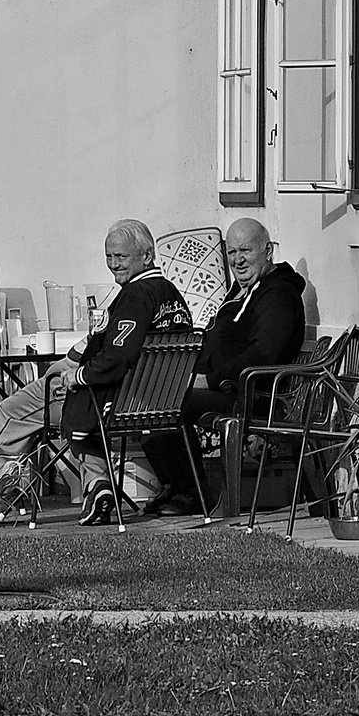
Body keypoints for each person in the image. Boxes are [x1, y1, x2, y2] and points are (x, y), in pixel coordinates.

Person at [0, 219, 193, 526]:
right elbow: (106, 337)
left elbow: (118, 355)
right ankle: (98, 486)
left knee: (12, 410)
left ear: (147, 255)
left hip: (115, 403)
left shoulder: (135, 296)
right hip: (156, 403)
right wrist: (72, 361)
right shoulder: (170, 295)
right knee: (70, 400)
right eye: (109, 256)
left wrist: (78, 375)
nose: (113, 265)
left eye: (120, 257)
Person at [139, 217, 307, 517]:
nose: (238, 260)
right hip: (229, 386)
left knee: (168, 402)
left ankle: (191, 492)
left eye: (246, 251)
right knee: (148, 396)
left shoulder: (278, 294)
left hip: (252, 394)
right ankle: (176, 485)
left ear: (267, 250)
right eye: (231, 252)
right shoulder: (242, 290)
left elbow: (264, 353)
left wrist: (210, 380)